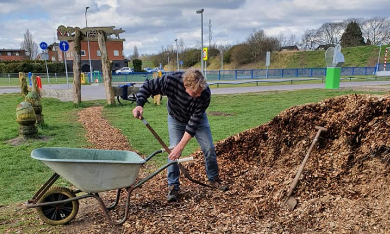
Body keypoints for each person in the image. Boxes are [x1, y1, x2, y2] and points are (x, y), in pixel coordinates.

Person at [132, 68, 228, 202]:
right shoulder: (171, 81)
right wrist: (139, 104)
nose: (199, 95)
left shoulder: (205, 93)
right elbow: (148, 86)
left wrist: (181, 147)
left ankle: (214, 179)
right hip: (175, 118)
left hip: (198, 121)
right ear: (186, 86)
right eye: (195, 93)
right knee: (172, 151)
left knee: (209, 148)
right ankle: (173, 186)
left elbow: (193, 124)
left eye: (200, 92)